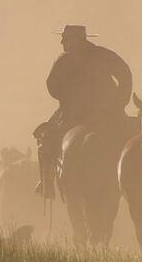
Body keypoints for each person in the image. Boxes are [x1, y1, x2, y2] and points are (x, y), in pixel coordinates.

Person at [34, 24, 132, 197]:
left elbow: (51, 85)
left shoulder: (64, 59)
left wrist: (67, 97)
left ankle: (46, 182)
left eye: (65, 37)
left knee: (45, 136)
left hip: (74, 113)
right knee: (131, 135)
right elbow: (125, 74)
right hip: (109, 112)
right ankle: (137, 178)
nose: (62, 41)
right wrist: (120, 101)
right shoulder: (105, 55)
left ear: (75, 39)